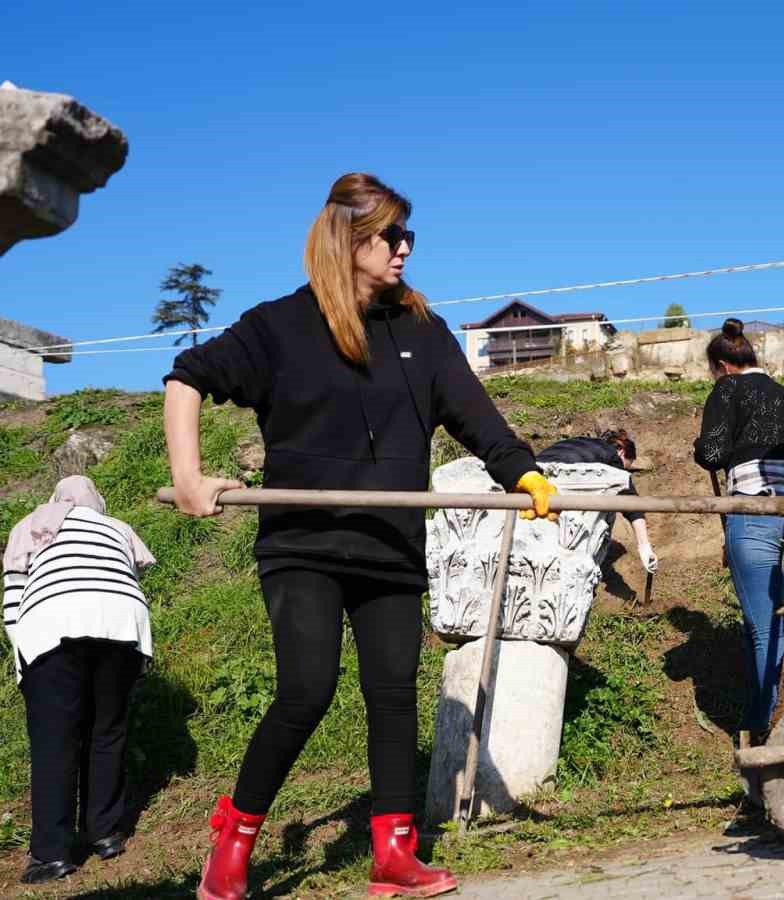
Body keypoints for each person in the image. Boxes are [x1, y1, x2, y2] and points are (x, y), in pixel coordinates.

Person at [163, 173, 559, 900]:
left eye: (408, 236)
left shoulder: (422, 333)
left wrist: (524, 476)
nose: (405, 249)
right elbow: (187, 377)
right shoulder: (279, 326)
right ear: (350, 241)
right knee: (305, 691)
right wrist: (188, 475)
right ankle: (236, 833)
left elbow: (478, 417)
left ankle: (393, 853)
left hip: (390, 544)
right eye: (391, 236)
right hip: (304, 544)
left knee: (391, 693)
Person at [3, 476, 155, 885]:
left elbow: (14, 595)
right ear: (97, 502)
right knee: (108, 730)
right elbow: (129, 581)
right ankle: (104, 833)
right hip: (121, 623)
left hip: (53, 624)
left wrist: (25, 651)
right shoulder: (117, 527)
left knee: (56, 739)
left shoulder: (30, 524)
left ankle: (52, 854)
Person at [692, 319, 784, 766]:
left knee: (763, 624)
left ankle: (772, 730)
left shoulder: (728, 391)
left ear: (722, 365)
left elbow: (714, 453)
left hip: (756, 508)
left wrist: (699, 449)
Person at [536, 429, 658, 575]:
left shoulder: (577, 442)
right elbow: (631, 503)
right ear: (621, 451)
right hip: (565, 484)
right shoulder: (611, 455)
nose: (624, 470)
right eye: (626, 465)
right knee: (609, 505)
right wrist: (645, 547)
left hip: (533, 475)